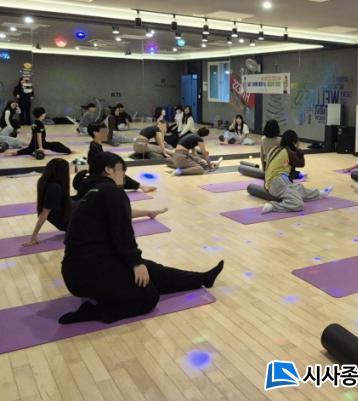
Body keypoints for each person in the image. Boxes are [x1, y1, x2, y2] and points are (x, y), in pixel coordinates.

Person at [58, 152, 224, 324]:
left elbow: (117, 224)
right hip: (91, 272)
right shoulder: (112, 192)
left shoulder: (90, 192)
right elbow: (123, 233)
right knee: (148, 297)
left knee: (153, 271)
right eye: (122, 170)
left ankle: (203, 278)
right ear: (108, 170)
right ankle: (92, 311)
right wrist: (136, 263)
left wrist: (138, 263)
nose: (124, 175)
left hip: (79, 272)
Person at [262, 130, 332, 214]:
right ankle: (273, 206)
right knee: (298, 204)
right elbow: (301, 163)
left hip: (271, 183)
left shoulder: (275, 148)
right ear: (293, 142)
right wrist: (299, 150)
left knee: (298, 188)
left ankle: (319, 194)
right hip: (278, 183)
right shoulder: (287, 151)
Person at [85, 123, 155, 194]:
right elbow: (97, 167)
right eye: (104, 131)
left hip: (101, 174)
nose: (107, 133)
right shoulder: (94, 148)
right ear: (95, 133)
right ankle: (140, 187)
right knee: (117, 171)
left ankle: (140, 186)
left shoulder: (96, 146)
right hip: (99, 178)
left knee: (118, 171)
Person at [23, 158, 74, 246]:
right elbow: (44, 213)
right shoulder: (55, 188)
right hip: (67, 222)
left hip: (66, 215)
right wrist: (34, 236)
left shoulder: (44, 180)